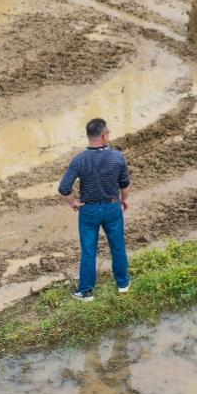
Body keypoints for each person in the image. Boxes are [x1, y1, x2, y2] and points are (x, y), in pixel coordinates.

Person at [58, 117, 131, 301]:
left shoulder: (79, 160)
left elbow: (64, 188)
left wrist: (73, 202)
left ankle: (86, 291)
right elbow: (125, 183)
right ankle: (123, 284)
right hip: (112, 207)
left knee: (89, 251)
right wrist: (125, 199)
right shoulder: (117, 157)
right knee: (118, 247)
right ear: (105, 135)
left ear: (89, 136)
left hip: (89, 211)